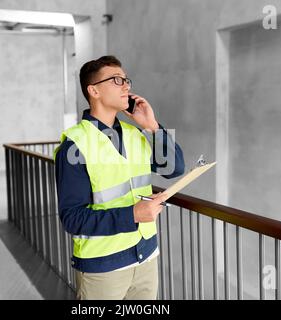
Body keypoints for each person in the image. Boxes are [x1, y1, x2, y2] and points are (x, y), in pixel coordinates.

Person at [53, 55, 185, 300]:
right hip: (103, 267)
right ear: (94, 90)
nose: (126, 86)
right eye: (116, 80)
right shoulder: (75, 145)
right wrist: (132, 214)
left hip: (146, 255)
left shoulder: (135, 133)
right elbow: (72, 218)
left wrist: (153, 127)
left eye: (126, 80)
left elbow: (175, 169)